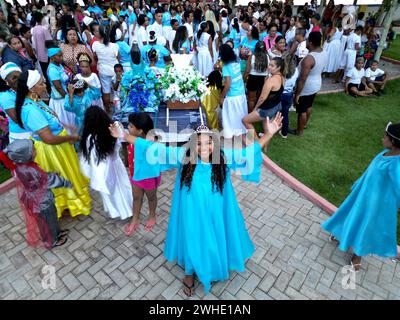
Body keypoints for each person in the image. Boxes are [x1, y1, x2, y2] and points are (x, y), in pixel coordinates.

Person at [109, 113, 283, 296]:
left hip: (215, 210)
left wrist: (269, 134)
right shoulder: (184, 156)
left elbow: (248, 153)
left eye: (209, 142)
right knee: (192, 235)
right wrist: (123, 136)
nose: (204, 147)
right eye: (199, 144)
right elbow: (151, 147)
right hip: (191, 210)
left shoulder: (223, 157)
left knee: (212, 235)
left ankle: (211, 264)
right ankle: (189, 271)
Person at [322, 122, 400, 271]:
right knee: (350, 214)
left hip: (375, 204)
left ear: (394, 142)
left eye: (385, 137)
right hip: (363, 194)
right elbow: (371, 171)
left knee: (365, 226)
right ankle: (342, 234)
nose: (382, 138)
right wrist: (360, 182)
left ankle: (358, 255)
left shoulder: (396, 165)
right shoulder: (384, 153)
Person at [15, 70, 91, 218]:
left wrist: (66, 127)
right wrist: (70, 138)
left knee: (67, 173)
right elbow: (48, 138)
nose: (45, 85)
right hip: (52, 150)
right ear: (31, 88)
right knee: (62, 176)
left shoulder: (35, 99)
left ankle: (70, 203)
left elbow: (51, 118)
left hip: (58, 146)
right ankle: (66, 204)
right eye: (41, 83)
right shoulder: (31, 110)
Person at [0, 139, 71, 248]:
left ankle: (56, 233)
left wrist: (49, 174)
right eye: (33, 150)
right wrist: (65, 182)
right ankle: (51, 241)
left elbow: (40, 178)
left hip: (38, 199)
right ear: (24, 156)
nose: (35, 150)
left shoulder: (23, 166)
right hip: (41, 202)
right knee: (47, 221)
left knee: (51, 218)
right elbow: (47, 181)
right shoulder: (29, 169)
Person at [79, 106, 133, 220]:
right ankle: (126, 210)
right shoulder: (111, 131)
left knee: (110, 193)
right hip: (115, 164)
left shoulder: (89, 138)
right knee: (122, 188)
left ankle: (116, 211)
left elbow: (90, 157)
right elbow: (118, 145)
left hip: (101, 170)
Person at [123, 113, 161, 236]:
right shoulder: (131, 138)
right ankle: (135, 218)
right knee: (136, 198)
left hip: (149, 177)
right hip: (135, 175)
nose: (128, 127)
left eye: (131, 126)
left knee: (151, 197)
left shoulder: (150, 144)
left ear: (140, 131)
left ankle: (152, 215)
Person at [243, 57, 285, 148]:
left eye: (272, 65)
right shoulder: (282, 78)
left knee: (245, 120)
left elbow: (262, 98)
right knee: (267, 127)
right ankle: (264, 147)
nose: (269, 67)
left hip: (266, 109)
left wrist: (255, 108)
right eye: (269, 64)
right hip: (276, 106)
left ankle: (258, 143)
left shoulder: (270, 80)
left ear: (278, 67)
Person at [292, 32, 327, 136]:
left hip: (307, 86)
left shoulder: (309, 59)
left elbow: (302, 79)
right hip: (316, 83)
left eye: (307, 40)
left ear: (311, 42)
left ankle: (299, 131)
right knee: (309, 105)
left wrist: (297, 94)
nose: (306, 42)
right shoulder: (324, 51)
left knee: (302, 110)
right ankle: (304, 124)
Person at [219, 44, 248, 139]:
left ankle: (231, 135)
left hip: (232, 96)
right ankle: (241, 134)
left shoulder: (226, 67)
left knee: (231, 118)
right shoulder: (236, 62)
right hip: (241, 94)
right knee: (241, 117)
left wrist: (221, 97)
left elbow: (227, 84)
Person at [92, 26, 120, 114]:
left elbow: (95, 56)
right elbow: (118, 58)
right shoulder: (115, 46)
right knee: (117, 91)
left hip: (103, 71)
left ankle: (108, 110)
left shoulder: (95, 45)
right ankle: (118, 110)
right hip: (114, 71)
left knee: (106, 91)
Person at [0, 63, 31, 142]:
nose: (18, 79)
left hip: (33, 130)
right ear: (5, 81)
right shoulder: (5, 96)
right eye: (14, 78)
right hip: (22, 135)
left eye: (20, 76)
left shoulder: (23, 88)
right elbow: (16, 119)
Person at [47, 46, 75, 128]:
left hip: (66, 95)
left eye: (61, 55)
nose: (62, 58)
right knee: (65, 121)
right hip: (61, 100)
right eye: (59, 56)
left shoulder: (59, 65)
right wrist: (68, 98)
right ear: (52, 57)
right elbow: (58, 87)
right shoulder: (52, 70)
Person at [243, 41, 269, 113]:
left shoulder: (252, 56)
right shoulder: (268, 56)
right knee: (261, 98)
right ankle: (259, 115)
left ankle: (250, 116)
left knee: (251, 99)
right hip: (264, 79)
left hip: (253, 78)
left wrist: (244, 79)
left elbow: (247, 71)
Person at [280, 53, 298, 139]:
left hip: (281, 94)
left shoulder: (281, 70)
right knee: (285, 113)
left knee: (277, 114)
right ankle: (284, 132)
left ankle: (281, 131)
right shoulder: (296, 70)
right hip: (290, 94)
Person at [30, 11, 52, 83]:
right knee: (50, 72)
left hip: (39, 55)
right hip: (47, 54)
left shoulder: (34, 29)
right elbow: (49, 43)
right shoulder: (44, 29)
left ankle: (48, 86)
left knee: (45, 72)